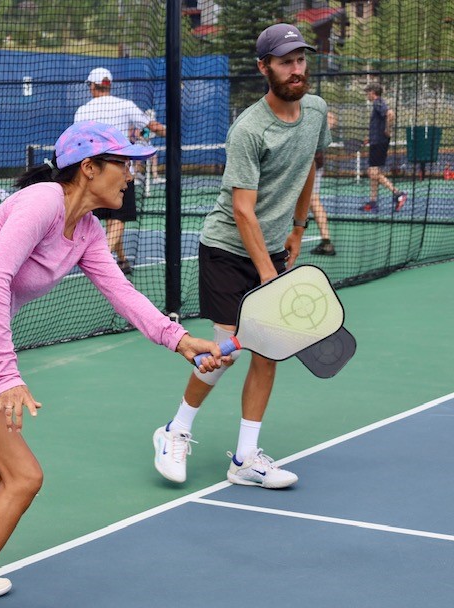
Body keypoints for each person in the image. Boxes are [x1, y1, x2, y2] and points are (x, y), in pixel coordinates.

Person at [0, 120, 223, 608]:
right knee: (23, 475)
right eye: (123, 164)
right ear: (88, 168)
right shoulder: (41, 202)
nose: (131, 175)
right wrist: (7, 375)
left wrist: (180, 340)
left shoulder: (86, 231)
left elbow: (122, 293)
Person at [152, 23, 331, 488]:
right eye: (285, 61)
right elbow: (243, 211)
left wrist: (297, 228)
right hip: (228, 251)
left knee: (267, 353)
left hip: (273, 247)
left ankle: (246, 459)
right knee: (224, 353)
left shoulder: (315, 111)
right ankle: (175, 430)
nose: (296, 69)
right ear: (263, 68)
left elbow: (309, 165)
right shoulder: (249, 129)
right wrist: (272, 278)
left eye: (300, 59)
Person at [74, 68, 166, 275]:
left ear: (92, 86)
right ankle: (101, 262)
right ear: (109, 85)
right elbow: (152, 127)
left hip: (91, 174)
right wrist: (171, 130)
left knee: (109, 219)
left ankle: (122, 260)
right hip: (120, 173)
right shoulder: (125, 105)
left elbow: (78, 142)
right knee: (117, 219)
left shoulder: (82, 111)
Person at [361, 83, 406, 212]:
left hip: (379, 143)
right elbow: (381, 121)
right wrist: (371, 137)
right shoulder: (378, 104)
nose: (366, 95)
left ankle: (398, 194)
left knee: (372, 172)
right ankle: (373, 202)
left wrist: (387, 129)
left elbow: (390, 114)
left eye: (367, 92)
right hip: (377, 142)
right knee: (375, 173)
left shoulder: (377, 102)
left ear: (372, 92)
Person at [310, 111, 337, 256]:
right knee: (311, 201)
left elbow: (332, 118)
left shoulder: (308, 112)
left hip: (310, 163)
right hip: (311, 162)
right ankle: (326, 242)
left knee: (313, 200)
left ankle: (326, 242)